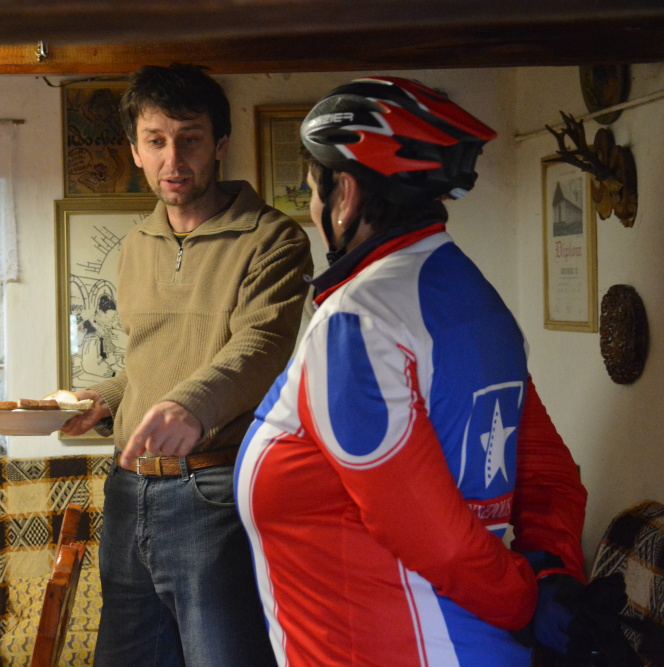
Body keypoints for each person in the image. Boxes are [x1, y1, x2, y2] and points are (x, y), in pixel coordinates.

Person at [235, 76, 588, 666]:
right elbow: (550, 476)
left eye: (313, 191)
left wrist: (530, 603)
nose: (314, 211)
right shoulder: (477, 301)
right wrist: (551, 575)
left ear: (345, 194)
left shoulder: (360, 323)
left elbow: (435, 540)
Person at [61, 63, 312, 666]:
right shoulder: (135, 246)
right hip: (127, 490)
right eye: (156, 141)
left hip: (213, 490)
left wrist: (190, 405)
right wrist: (105, 399)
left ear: (219, 144)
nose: (173, 159)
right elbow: (150, 358)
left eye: (189, 139)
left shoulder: (272, 239)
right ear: (136, 151)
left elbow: (259, 347)